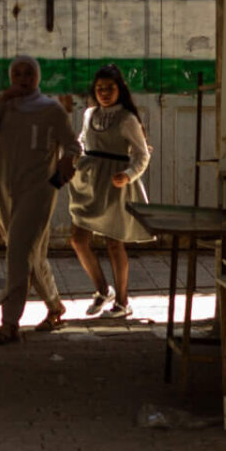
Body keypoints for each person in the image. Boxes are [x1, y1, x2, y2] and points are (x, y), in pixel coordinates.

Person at [0, 55, 78, 344]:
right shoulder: (5, 107)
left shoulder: (51, 109)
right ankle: (55, 307)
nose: (22, 78)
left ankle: (9, 324)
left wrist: (66, 164)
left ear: (37, 77)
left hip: (38, 192)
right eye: (17, 73)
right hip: (5, 190)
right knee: (32, 254)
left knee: (18, 253)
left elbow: (72, 143)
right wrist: (1, 100)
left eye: (28, 73)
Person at [66, 64, 155, 318]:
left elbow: (142, 154)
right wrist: (74, 155)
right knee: (78, 239)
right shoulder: (89, 114)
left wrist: (128, 175)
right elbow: (84, 140)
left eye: (110, 88)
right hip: (89, 182)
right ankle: (103, 290)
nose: (104, 92)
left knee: (114, 243)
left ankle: (123, 302)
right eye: (100, 88)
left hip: (115, 185)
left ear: (120, 90)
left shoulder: (127, 119)